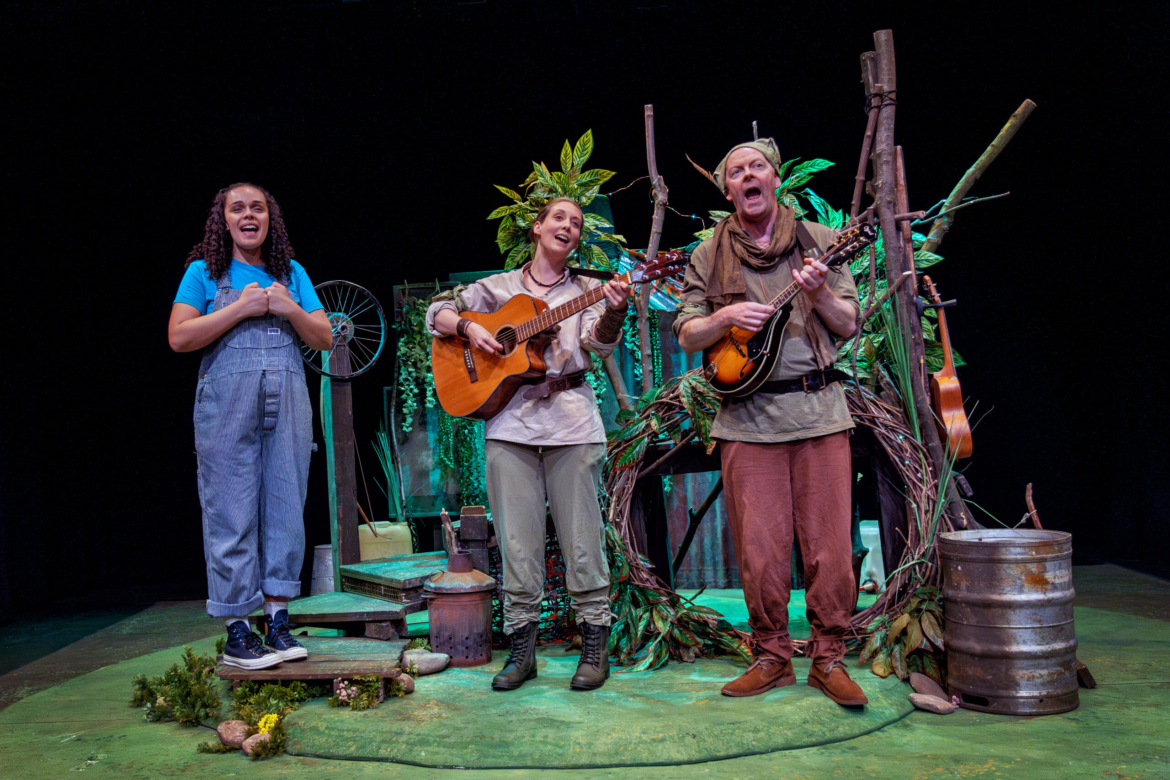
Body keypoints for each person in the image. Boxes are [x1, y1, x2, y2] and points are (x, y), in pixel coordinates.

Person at [673, 139, 868, 707]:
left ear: (775, 179)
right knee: (759, 550)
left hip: (818, 413)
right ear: (728, 189)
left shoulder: (820, 243)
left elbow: (849, 323)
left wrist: (821, 291)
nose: (747, 175)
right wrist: (725, 317)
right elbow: (687, 330)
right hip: (747, 420)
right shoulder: (710, 254)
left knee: (829, 549)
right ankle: (772, 656)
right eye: (736, 171)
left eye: (756, 166)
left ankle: (829, 657)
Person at [427, 197, 629, 691]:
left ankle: (593, 649)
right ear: (538, 228)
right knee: (518, 544)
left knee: (582, 542)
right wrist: (471, 327)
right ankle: (522, 652)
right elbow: (437, 313)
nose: (568, 226)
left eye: (576, 222)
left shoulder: (587, 289)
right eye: (559, 217)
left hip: (572, 424)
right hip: (510, 426)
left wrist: (614, 313)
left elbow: (598, 345)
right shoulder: (494, 289)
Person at [168, 183, 334, 670]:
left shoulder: (292, 273)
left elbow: (324, 337)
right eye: (236, 208)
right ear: (223, 220)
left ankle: (278, 621)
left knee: (286, 506)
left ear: (269, 219)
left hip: (288, 406)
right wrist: (239, 307)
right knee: (230, 513)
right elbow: (179, 336)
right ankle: (239, 629)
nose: (248, 215)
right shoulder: (204, 273)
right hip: (227, 407)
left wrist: (288, 307)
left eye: (256, 208)